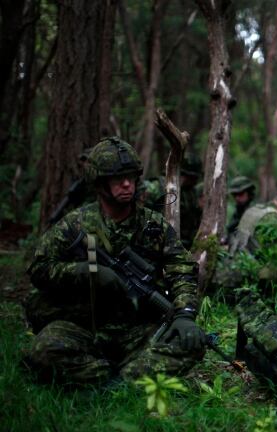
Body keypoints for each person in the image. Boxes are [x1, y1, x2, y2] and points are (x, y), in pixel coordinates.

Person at [24, 137, 206, 384]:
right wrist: (86, 271)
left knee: (190, 345)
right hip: (84, 326)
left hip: (138, 330)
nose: (127, 184)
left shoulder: (153, 224)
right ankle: (124, 376)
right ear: (99, 184)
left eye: (131, 177)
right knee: (43, 351)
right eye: (117, 179)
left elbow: (182, 269)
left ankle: (115, 379)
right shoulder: (75, 223)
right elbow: (39, 267)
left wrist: (184, 313)